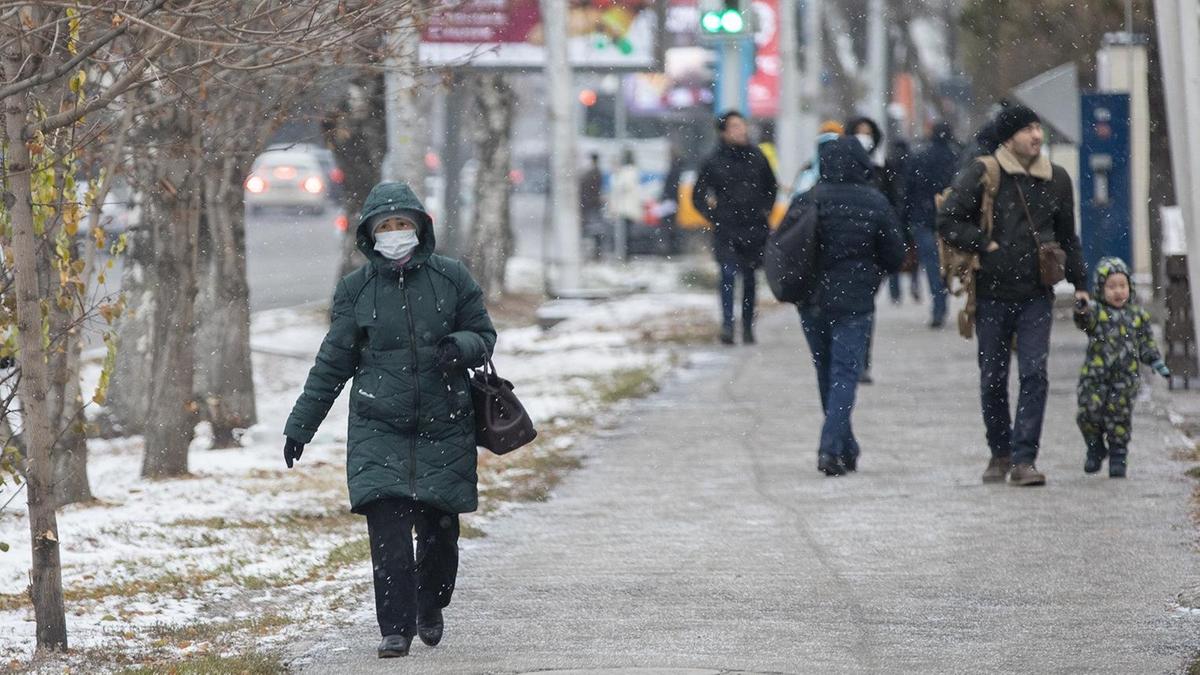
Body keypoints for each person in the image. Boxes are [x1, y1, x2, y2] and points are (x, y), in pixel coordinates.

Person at [282, 181, 497, 658]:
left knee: (441, 534)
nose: (396, 233)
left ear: (419, 228)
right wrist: (300, 426)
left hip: (445, 424)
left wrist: (458, 347)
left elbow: (484, 335)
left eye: (403, 224)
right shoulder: (355, 291)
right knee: (389, 533)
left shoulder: (452, 278)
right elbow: (332, 364)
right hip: (378, 427)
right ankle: (394, 628)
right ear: (371, 235)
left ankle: (430, 604)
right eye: (387, 226)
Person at [937, 105, 1088, 486]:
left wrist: (1082, 283)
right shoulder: (985, 173)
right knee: (992, 377)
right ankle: (999, 452)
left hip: (1037, 293)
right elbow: (947, 220)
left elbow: (1068, 237)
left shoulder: (1057, 179)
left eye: (1038, 128)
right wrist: (984, 245)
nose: (1036, 136)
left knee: (1035, 374)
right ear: (1008, 138)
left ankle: (1024, 459)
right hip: (991, 294)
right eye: (1027, 130)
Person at [795, 136, 906, 476]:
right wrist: (870, 273)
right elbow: (895, 255)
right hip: (855, 302)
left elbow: (787, 247)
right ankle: (831, 448)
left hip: (811, 301)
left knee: (826, 372)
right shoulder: (874, 202)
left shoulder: (808, 199)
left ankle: (845, 446)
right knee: (845, 374)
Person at [1074, 257, 1170, 478]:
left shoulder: (1136, 316)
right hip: (1095, 377)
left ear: (1130, 287)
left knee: (1119, 417)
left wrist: (1155, 360)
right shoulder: (1097, 313)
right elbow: (1084, 321)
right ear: (1101, 289)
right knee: (1088, 413)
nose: (1118, 292)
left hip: (1125, 378)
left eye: (1122, 286)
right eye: (1111, 287)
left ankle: (1119, 455)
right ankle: (1095, 446)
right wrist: (1081, 310)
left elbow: (1146, 342)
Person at [693, 110, 778, 345]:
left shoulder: (757, 156)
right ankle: (728, 326)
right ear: (723, 132)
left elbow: (771, 186)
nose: (740, 131)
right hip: (726, 229)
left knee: (750, 278)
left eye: (742, 126)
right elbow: (698, 195)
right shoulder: (713, 160)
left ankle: (748, 326)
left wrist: (764, 209)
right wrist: (714, 216)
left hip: (754, 228)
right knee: (728, 275)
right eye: (734, 127)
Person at [903, 121, 962, 328]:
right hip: (950, 220)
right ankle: (942, 298)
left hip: (924, 220)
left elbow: (908, 191)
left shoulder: (920, 158)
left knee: (932, 266)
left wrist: (907, 219)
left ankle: (939, 305)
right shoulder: (956, 158)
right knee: (948, 264)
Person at [845, 115, 887, 384]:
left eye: (868, 133)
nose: (864, 137)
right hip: (841, 253)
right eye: (858, 132)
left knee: (865, 310)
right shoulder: (839, 168)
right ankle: (851, 360)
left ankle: (861, 361)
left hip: (869, 255)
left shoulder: (882, 171)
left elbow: (892, 212)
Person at [609, 148, 641, 261]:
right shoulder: (625, 172)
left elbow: (624, 186)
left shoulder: (629, 172)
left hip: (626, 209)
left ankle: (626, 255)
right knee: (624, 234)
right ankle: (625, 254)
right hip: (623, 209)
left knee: (625, 234)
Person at [580, 152, 607, 260]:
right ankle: (596, 252)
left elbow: (589, 189)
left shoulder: (591, 173)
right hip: (592, 205)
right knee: (595, 229)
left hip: (590, 205)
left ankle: (596, 252)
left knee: (593, 229)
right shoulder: (595, 172)